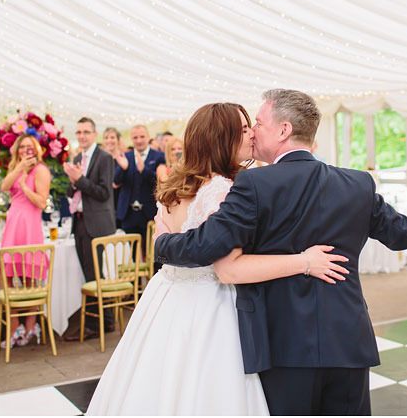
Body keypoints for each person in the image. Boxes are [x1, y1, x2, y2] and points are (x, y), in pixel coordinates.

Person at [154, 89, 407, 416]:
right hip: (348, 342)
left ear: (283, 130)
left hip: (284, 346)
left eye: (259, 123)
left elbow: (205, 245)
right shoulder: (356, 183)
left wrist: (162, 242)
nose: (252, 132)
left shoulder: (253, 185)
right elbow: (398, 228)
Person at [85, 102, 349, 416]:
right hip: (212, 305)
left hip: (166, 298)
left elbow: (161, 243)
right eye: (242, 129)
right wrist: (304, 261)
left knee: (157, 383)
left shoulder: (173, 186)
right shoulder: (227, 190)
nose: (251, 134)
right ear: (220, 139)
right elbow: (228, 269)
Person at [0, 135, 50, 347]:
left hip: (29, 224)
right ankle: (14, 326)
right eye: (22, 147)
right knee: (5, 275)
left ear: (36, 150)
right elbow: (4, 186)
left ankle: (31, 327)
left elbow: (41, 202)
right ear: (18, 150)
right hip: (13, 225)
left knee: (30, 277)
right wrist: (19, 169)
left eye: (30, 147)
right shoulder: (16, 167)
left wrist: (25, 188)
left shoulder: (41, 170)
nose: (26, 150)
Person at [66, 117, 115, 335]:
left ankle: (99, 324)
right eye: (78, 132)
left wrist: (80, 179)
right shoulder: (78, 157)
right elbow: (72, 191)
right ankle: (104, 320)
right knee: (89, 273)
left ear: (95, 134)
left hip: (97, 223)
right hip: (79, 221)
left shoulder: (104, 157)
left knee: (96, 274)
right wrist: (72, 179)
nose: (82, 136)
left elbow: (104, 192)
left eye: (86, 132)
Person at [113, 125, 165, 239]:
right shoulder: (125, 156)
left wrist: (144, 171)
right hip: (129, 213)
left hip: (150, 213)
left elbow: (161, 183)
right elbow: (116, 181)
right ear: (131, 139)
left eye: (142, 136)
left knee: (150, 253)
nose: (139, 140)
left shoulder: (159, 156)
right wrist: (123, 168)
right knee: (133, 253)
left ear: (148, 137)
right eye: (135, 137)